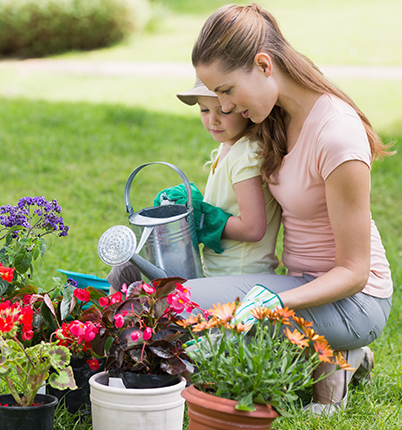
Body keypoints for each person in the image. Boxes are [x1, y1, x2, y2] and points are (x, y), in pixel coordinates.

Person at [182, 2, 393, 415]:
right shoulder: (276, 114)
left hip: (355, 300)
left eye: (226, 90)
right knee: (182, 306)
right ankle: (333, 358)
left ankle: (340, 355)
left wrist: (275, 303)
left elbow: (354, 272)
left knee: (205, 335)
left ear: (263, 65)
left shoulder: (336, 135)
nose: (223, 107)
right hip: (296, 283)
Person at [171, 77, 281, 277]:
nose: (212, 120)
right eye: (204, 110)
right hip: (220, 272)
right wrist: (191, 204)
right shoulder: (229, 146)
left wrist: (201, 217)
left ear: (243, 109)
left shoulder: (246, 154)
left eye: (223, 110)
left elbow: (253, 228)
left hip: (241, 276)